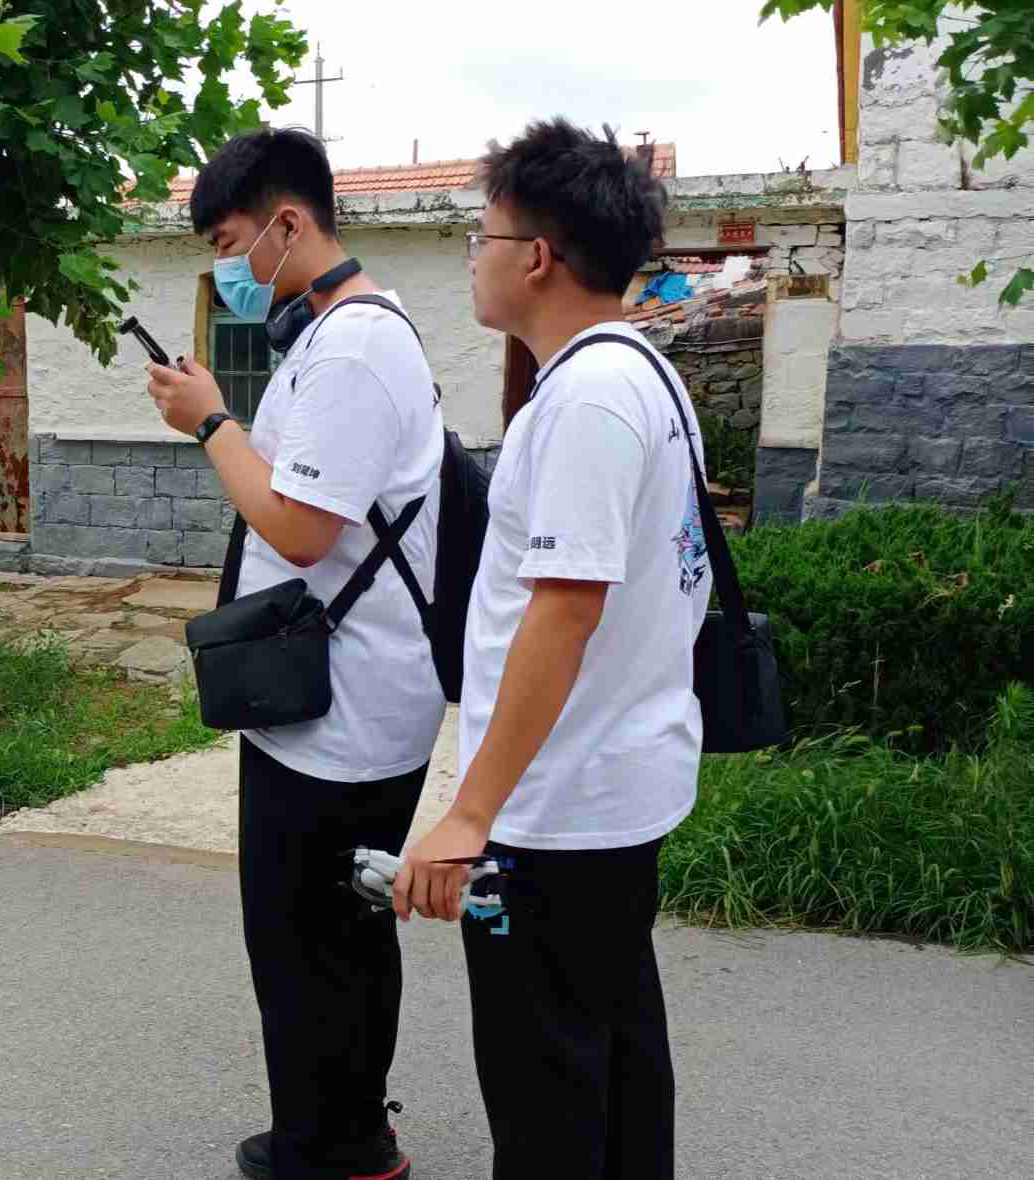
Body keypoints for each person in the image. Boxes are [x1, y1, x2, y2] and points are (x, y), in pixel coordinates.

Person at [392, 119, 706, 1180]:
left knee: (547, 1094)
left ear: (535, 256)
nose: (470, 260)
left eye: (478, 237)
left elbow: (563, 612)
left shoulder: (586, 398)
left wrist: (469, 814)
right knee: (614, 1056)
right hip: (614, 782)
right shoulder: (640, 374)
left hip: (560, 811)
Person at [144, 127, 445, 1180]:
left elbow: (302, 528)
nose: (227, 269)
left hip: (339, 712)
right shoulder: (333, 334)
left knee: (304, 936)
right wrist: (227, 422)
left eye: (230, 244)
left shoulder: (354, 348)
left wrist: (209, 422)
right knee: (339, 930)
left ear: (287, 223)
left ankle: (333, 1148)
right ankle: (349, 1130)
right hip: (328, 690)